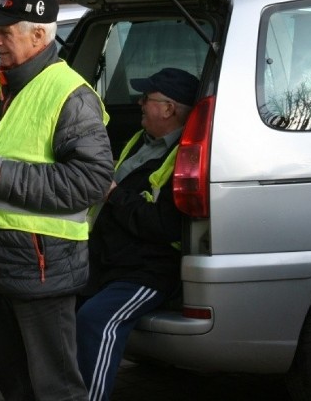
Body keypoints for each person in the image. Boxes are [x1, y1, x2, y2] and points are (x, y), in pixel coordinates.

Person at [0, 0, 114, 401]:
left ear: (40, 35)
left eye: (5, 31)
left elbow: (92, 181)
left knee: (56, 389)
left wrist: (4, 178)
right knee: (14, 387)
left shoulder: (71, 94)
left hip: (44, 271)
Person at [75, 67, 198, 401]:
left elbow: (164, 225)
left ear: (169, 108)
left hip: (147, 271)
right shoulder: (141, 141)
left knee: (95, 321)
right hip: (107, 262)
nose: (140, 103)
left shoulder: (182, 157)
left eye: (148, 98)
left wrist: (114, 194)